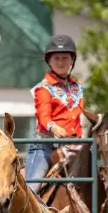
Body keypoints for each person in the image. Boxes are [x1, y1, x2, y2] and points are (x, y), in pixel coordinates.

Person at [25, 34, 87, 195]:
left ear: (72, 60)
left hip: (76, 146)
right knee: (31, 190)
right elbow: (43, 115)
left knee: (102, 175)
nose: (61, 62)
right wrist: (53, 127)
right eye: (57, 58)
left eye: (65, 58)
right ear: (49, 61)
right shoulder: (43, 89)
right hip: (46, 146)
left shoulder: (78, 87)